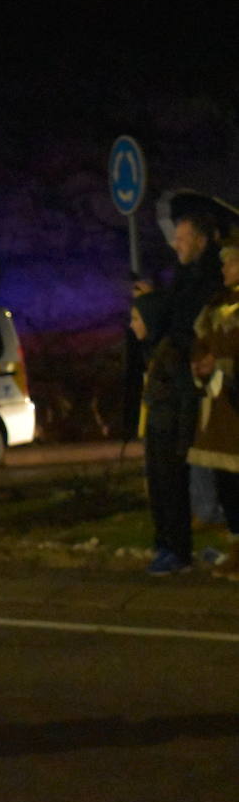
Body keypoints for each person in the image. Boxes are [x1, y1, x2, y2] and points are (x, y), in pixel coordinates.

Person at [131, 293, 198, 575]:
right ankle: (165, 546)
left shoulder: (170, 353)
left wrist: (183, 442)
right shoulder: (154, 350)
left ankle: (178, 552)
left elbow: (187, 397)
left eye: (136, 318)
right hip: (157, 433)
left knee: (172, 494)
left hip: (169, 436)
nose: (132, 324)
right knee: (159, 492)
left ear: (151, 319)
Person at [187, 231, 239, 578]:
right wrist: (201, 364)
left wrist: (220, 365)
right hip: (220, 408)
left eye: (232, 262)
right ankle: (237, 545)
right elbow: (200, 341)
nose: (225, 269)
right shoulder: (215, 305)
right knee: (227, 482)